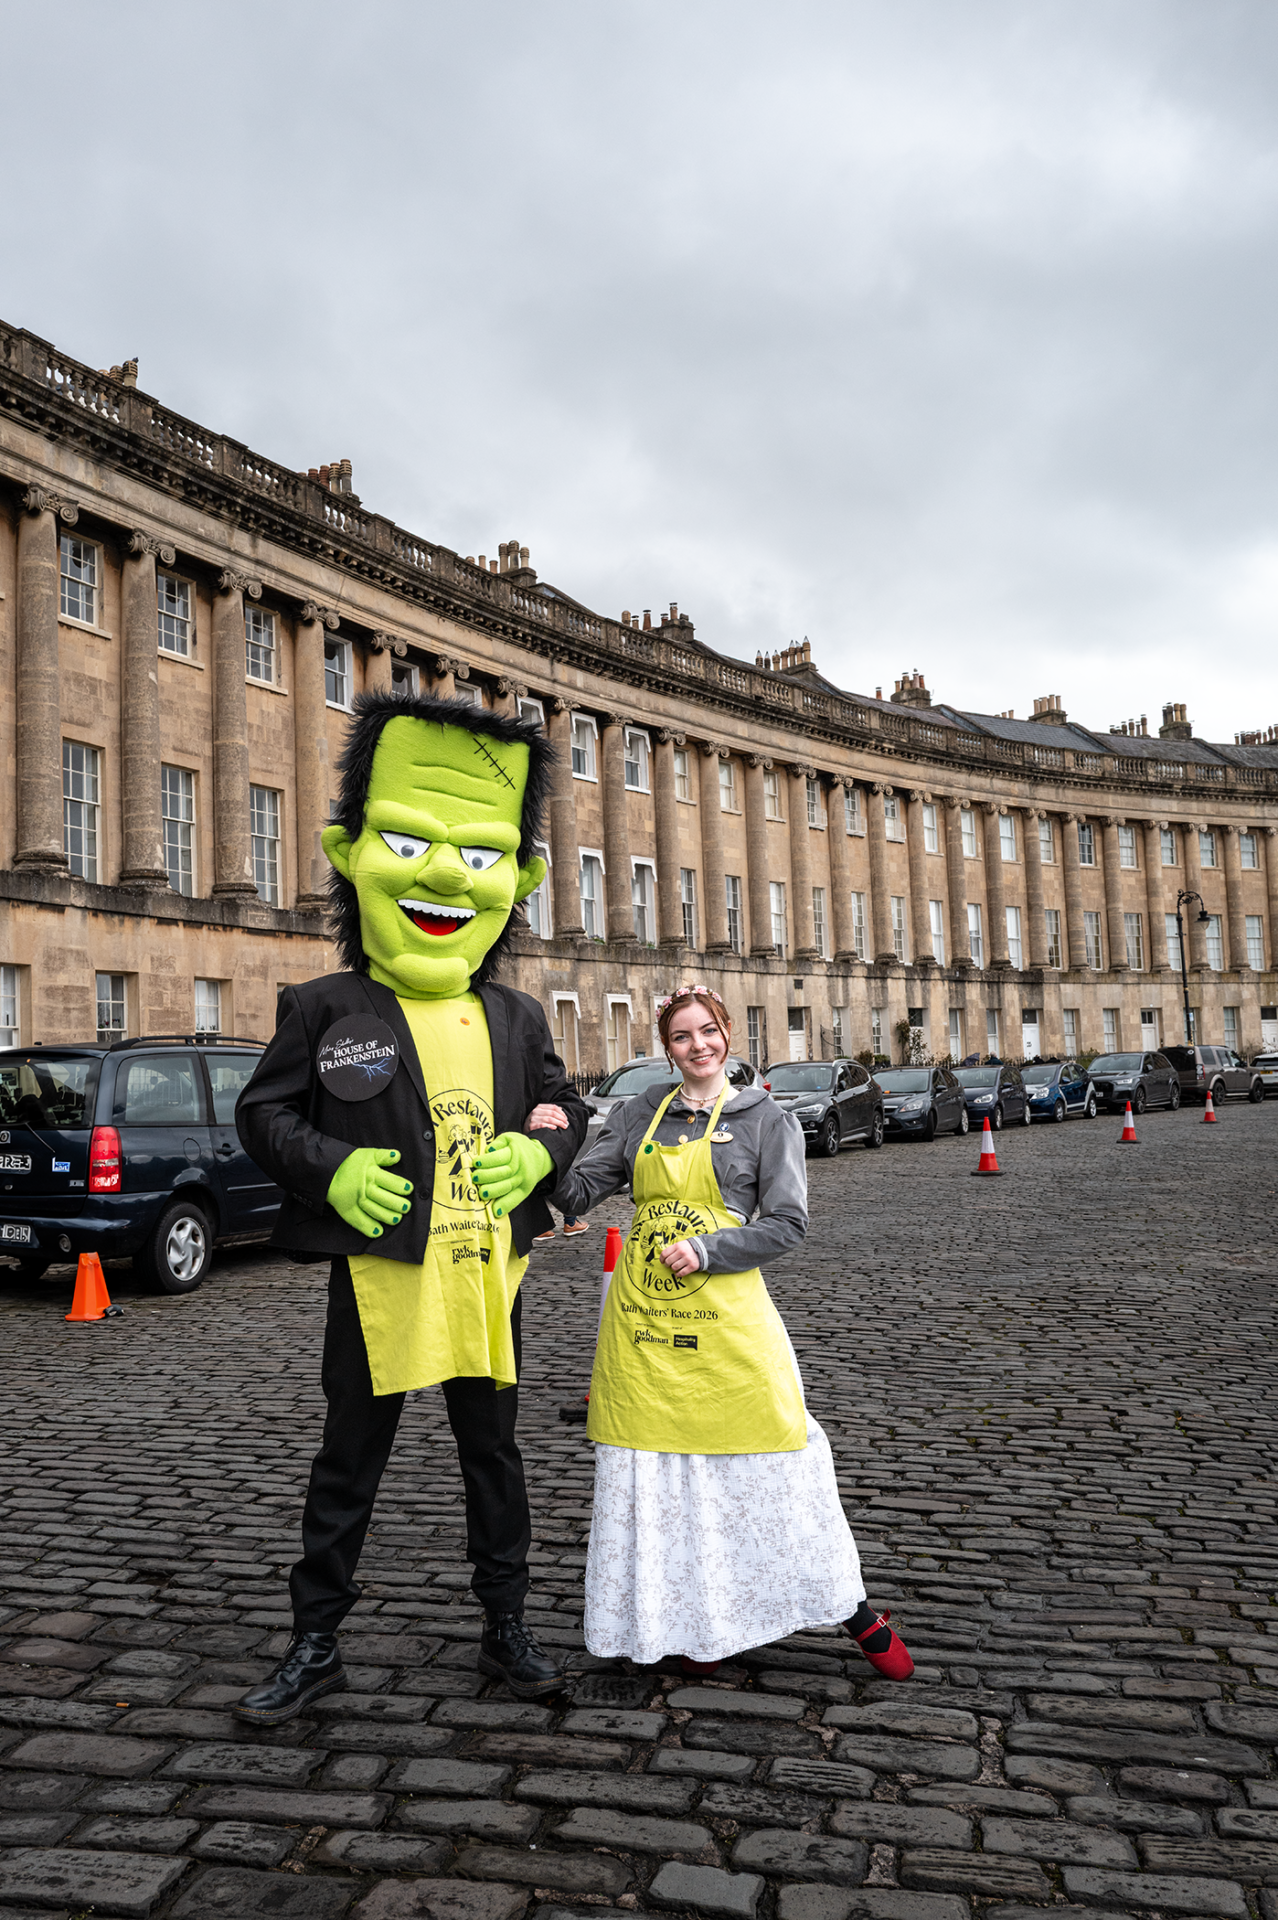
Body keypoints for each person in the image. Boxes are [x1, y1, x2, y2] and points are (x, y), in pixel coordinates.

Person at [234, 693, 588, 1723]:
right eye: (406, 843)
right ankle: (315, 1641)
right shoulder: (325, 1007)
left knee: (495, 1458)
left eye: (478, 856)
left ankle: (506, 1627)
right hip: (380, 1273)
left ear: (516, 881)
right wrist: (333, 1168)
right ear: (352, 855)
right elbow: (263, 1115)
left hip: (487, 1275)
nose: (444, 878)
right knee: (349, 1459)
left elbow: (566, 1108)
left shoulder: (516, 1015)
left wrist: (542, 1148)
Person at [542, 985, 912, 1678]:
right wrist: (544, 1142)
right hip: (644, 1328)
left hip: (731, 1327)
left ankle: (854, 1610)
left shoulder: (769, 1120)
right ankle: (695, 1625)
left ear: (727, 1035)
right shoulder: (639, 1113)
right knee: (662, 1477)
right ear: (668, 1047)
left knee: (774, 1464)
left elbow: (788, 1224)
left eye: (707, 1031)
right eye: (682, 1036)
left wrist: (709, 1250)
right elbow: (579, 1192)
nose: (698, 1046)